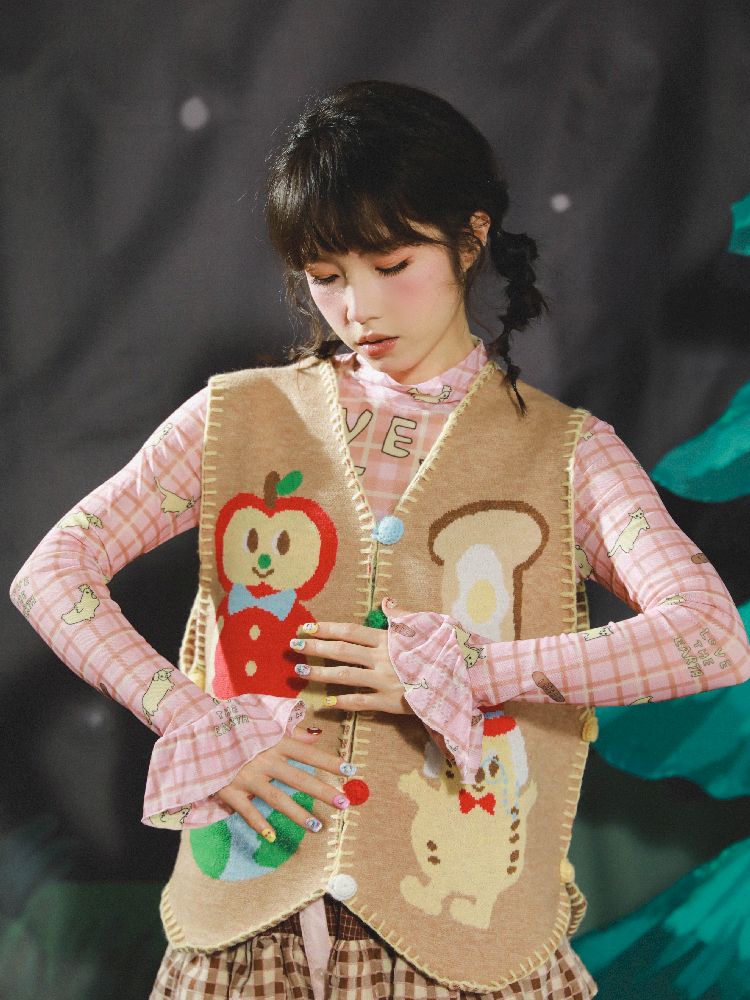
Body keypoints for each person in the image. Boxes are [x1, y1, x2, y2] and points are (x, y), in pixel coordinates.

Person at [9, 79, 749, 1000]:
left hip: (466, 945)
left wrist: (471, 671)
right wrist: (192, 718)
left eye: (392, 264)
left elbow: (711, 638)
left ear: (470, 237)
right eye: (326, 277)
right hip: (241, 933)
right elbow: (53, 572)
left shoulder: (568, 452)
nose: (358, 308)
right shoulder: (234, 418)